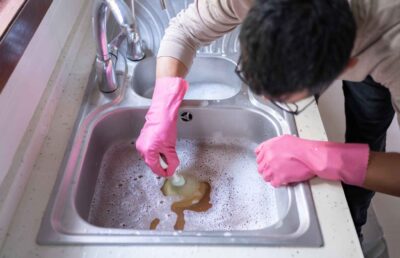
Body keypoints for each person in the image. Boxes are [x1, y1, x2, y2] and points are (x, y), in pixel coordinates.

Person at [135, 0, 400, 241]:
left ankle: (355, 220)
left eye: (280, 97)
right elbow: (184, 31)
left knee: (369, 121)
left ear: (346, 67)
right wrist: (161, 107)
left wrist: (323, 158)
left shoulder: (392, 47)